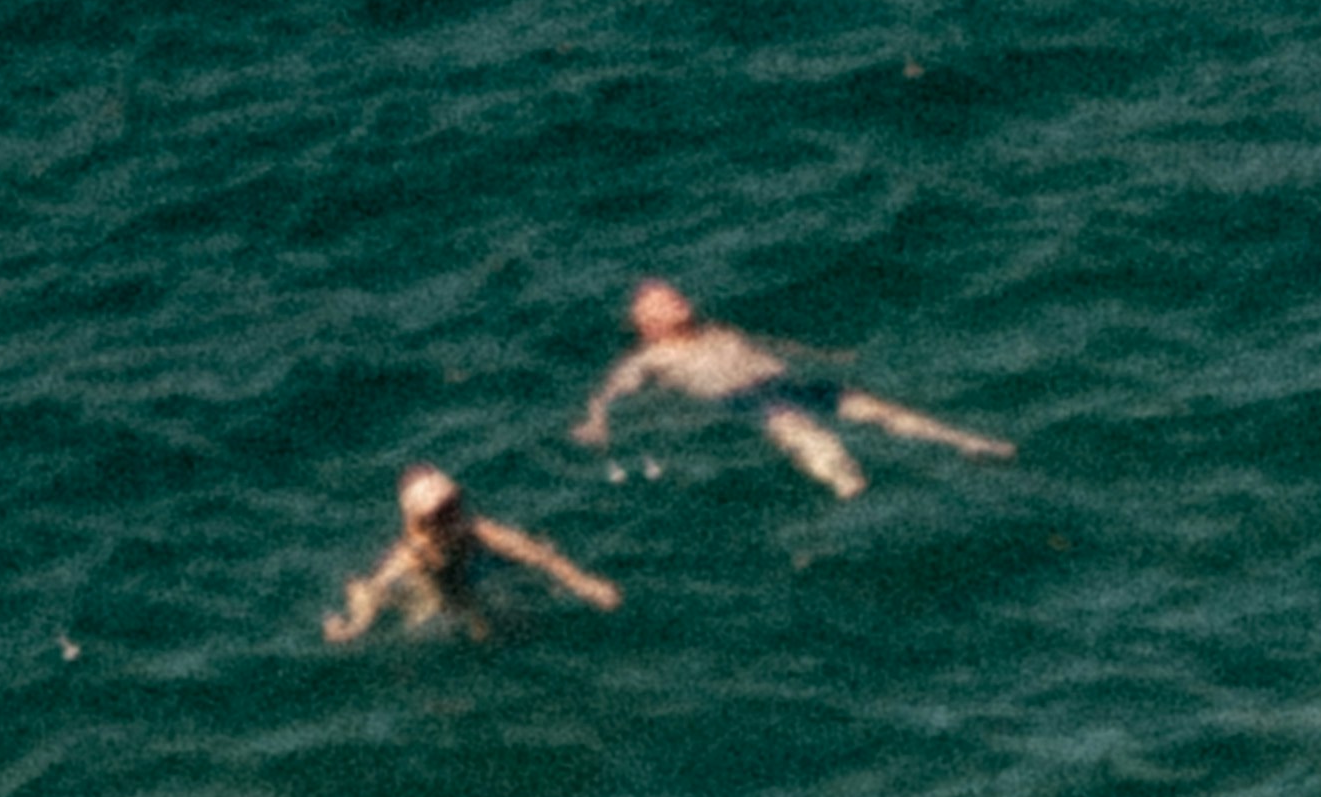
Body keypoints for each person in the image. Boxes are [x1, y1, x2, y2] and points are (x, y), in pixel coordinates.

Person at [573, 275, 1014, 497]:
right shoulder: (651, 357)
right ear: (648, 324)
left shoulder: (716, 330)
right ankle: (850, 491)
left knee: (880, 410)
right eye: (664, 302)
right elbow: (611, 391)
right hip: (746, 400)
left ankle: (966, 442)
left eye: (674, 294)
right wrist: (596, 422)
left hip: (789, 380)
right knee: (810, 438)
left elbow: (770, 343)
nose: (677, 298)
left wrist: (825, 357)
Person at [326, 468, 621, 644]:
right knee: (444, 617)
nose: (454, 516)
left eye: (455, 504)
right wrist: (355, 625)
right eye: (442, 513)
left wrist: (584, 584)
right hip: (432, 590)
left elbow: (539, 555)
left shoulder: (476, 531)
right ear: (420, 525)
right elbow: (369, 588)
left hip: (472, 572)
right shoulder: (412, 555)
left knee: (511, 617)